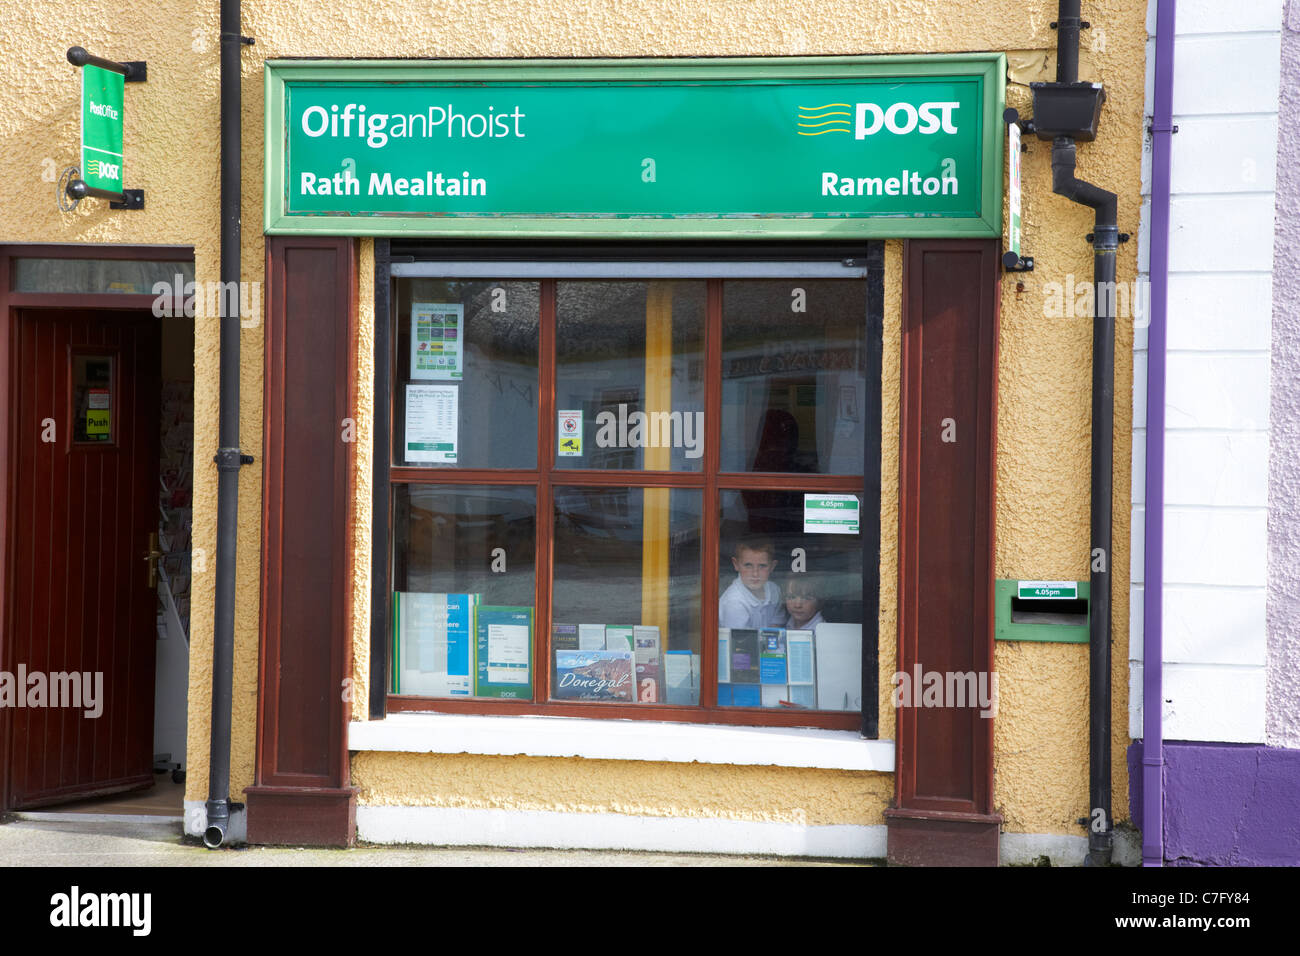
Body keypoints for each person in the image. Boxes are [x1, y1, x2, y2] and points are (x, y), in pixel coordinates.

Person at [719, 537, 785, 629]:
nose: (755, 573)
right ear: (736, 564)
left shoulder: (774, 590)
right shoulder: (734, 603)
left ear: (772, 566)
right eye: (748, 565)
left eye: (762, 566)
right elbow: (740, 640)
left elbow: (776, 625)